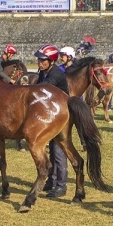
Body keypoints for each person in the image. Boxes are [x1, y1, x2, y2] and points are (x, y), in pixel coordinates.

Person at [34, 45, 69, 198]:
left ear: (52, 61)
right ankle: (51, 181)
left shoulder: (56, 74)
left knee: (58, 150)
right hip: (51, 115)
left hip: (61, 115)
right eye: (39, 60)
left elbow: (43, 88)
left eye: (43, 60)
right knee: (52, 151)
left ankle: (61, 186)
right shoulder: (43, 72)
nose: (39, 62)